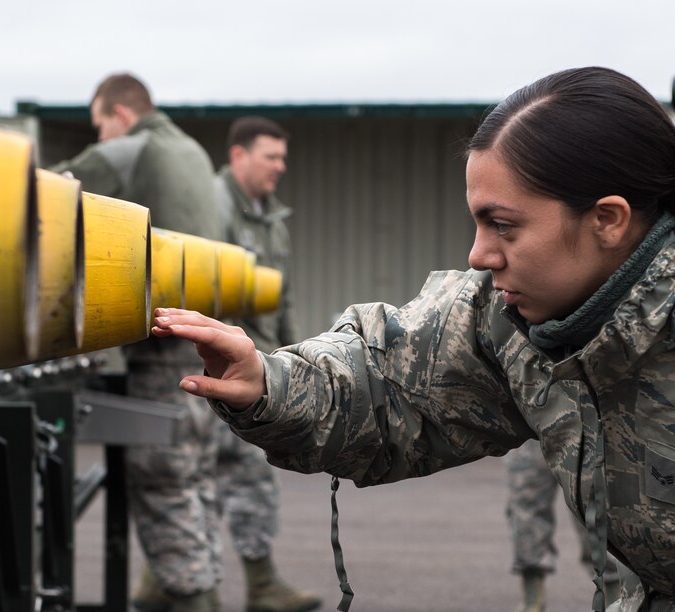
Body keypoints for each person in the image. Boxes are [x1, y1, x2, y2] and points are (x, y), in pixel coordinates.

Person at [151, 66, 675, 612]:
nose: (479, 255)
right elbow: (393, 380)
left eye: (504, 226)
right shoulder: (511, 320)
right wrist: (268, 380)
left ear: (608, 220)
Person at [50, 73, 225, 611]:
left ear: (120, 116)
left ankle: (195, 600)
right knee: (194, 475)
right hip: (205, 338)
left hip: (163, 350)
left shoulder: (130, 148)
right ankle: (188, 588)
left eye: (99, 125)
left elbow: (41, 192)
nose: (100, 137)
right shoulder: (194, 153)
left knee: (160, 478)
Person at [214, 116, 321, 611]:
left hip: (260, 364)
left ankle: (249, 583)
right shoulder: (212, 208)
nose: (280, 166)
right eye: (270, 156)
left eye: (283, 156)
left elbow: (284, 295)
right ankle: (241, 586)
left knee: (226, 477)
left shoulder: (271, 218)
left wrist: (291, 355)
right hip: (219, 367)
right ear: (239, 155)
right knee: (212, 477)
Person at [505, 440, 622, 611]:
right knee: (526, 502)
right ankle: (533, 598)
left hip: (580, 422)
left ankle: (614, 594)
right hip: (528, 426)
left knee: (593, 502)